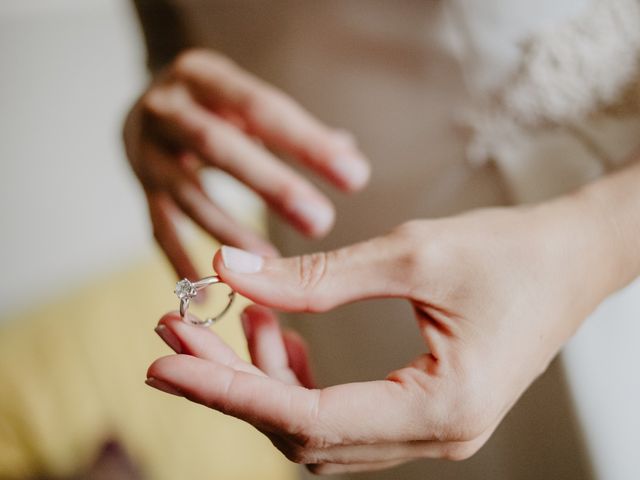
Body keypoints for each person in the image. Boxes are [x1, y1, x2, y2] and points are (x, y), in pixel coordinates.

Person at [125, 0, 640, 477]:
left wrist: (597, 240)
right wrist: (161, 106)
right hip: (341, 298)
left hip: (572, 250)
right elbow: (177, 42)